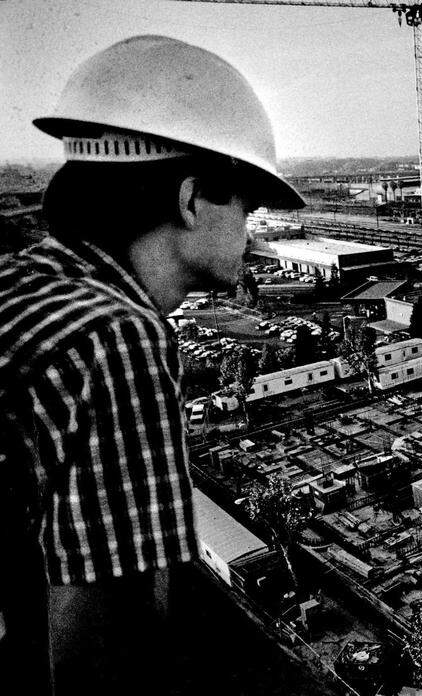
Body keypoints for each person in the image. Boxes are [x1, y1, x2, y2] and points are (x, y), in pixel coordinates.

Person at [0, 35, 304, 694]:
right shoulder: (117, 336)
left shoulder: (23, 285)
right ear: (193, 198)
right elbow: (104, 645)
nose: (250, 230)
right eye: (246, 205)